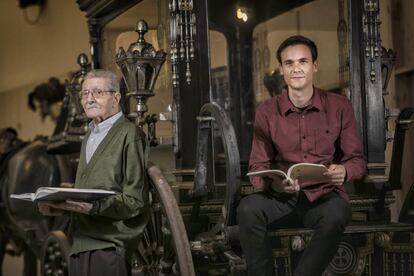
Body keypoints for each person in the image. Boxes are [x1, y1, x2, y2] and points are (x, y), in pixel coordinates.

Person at [237, 35, 366, 276]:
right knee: (247, 208)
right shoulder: (266, 111)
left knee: (338, 213)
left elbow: (357, 160)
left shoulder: (339, 106)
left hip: (324, 198)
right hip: (281, 200)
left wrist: (344, 171)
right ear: (282, 70)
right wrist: (276, 183)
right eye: (289, 63)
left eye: (303, 61)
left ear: (314, 66)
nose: (296, 68)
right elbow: (257, 166)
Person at [38, 69, 149, 276]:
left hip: (109, 246)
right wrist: (61, 207)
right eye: (85, 94)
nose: (90, 99)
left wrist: (92, 208)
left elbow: (135, 200)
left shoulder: (130, 135)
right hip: (80, 244)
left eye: (98, 92)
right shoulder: (89, 136)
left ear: (116, 98)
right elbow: (87, 195)